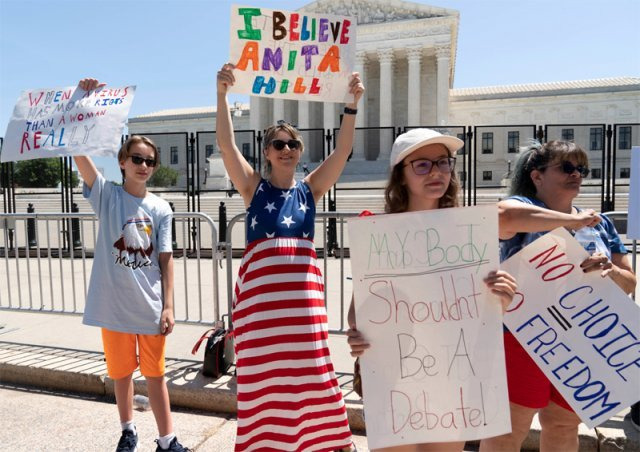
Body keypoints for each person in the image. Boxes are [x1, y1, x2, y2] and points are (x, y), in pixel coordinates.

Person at [216, 63, 365, 451]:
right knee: (266, 389)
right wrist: (222, 96)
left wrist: (352, 105)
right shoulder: (253, 188)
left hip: (303, 316)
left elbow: (344, 150)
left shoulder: (310, 191)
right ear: (266, 152)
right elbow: (227, 147)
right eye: (278, 144)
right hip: (264, 320)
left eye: (292, 144)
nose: (286, 149)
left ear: (300, 152)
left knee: (315, 380)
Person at [346, 128, 519, 452]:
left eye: (443, 162)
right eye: (422, 165)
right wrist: (356, 335)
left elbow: (481, 311)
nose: (437, 171)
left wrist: (503, 298)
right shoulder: (379, 235)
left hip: (451, 383)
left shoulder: (469, 233)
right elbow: (358, 311)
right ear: (401, 175)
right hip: (393, 379)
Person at [480, 140, 637, 452]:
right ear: (537, 176)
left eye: (581, 168)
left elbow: (629, 282)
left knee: (564, 425)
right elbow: (502, 216)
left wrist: (608, 271)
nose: (576, 174)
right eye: (566, 167)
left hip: (584, 342)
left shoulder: (600, 222)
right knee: (510, 430)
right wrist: (571, 222)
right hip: (525, 337)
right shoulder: (523, 207)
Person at [74, 78, 190, 452]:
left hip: (148, 306)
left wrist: (169, 305)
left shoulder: (160, 208)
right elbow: (79, 152)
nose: (144, 165)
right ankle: (128, 430)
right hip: (113, 307)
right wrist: (83, 102)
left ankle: (167, 439)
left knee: (156, 376)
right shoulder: (107, 195)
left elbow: (166, 260)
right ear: (122, 162)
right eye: (137, 158)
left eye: (150, 161)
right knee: (122, 375)